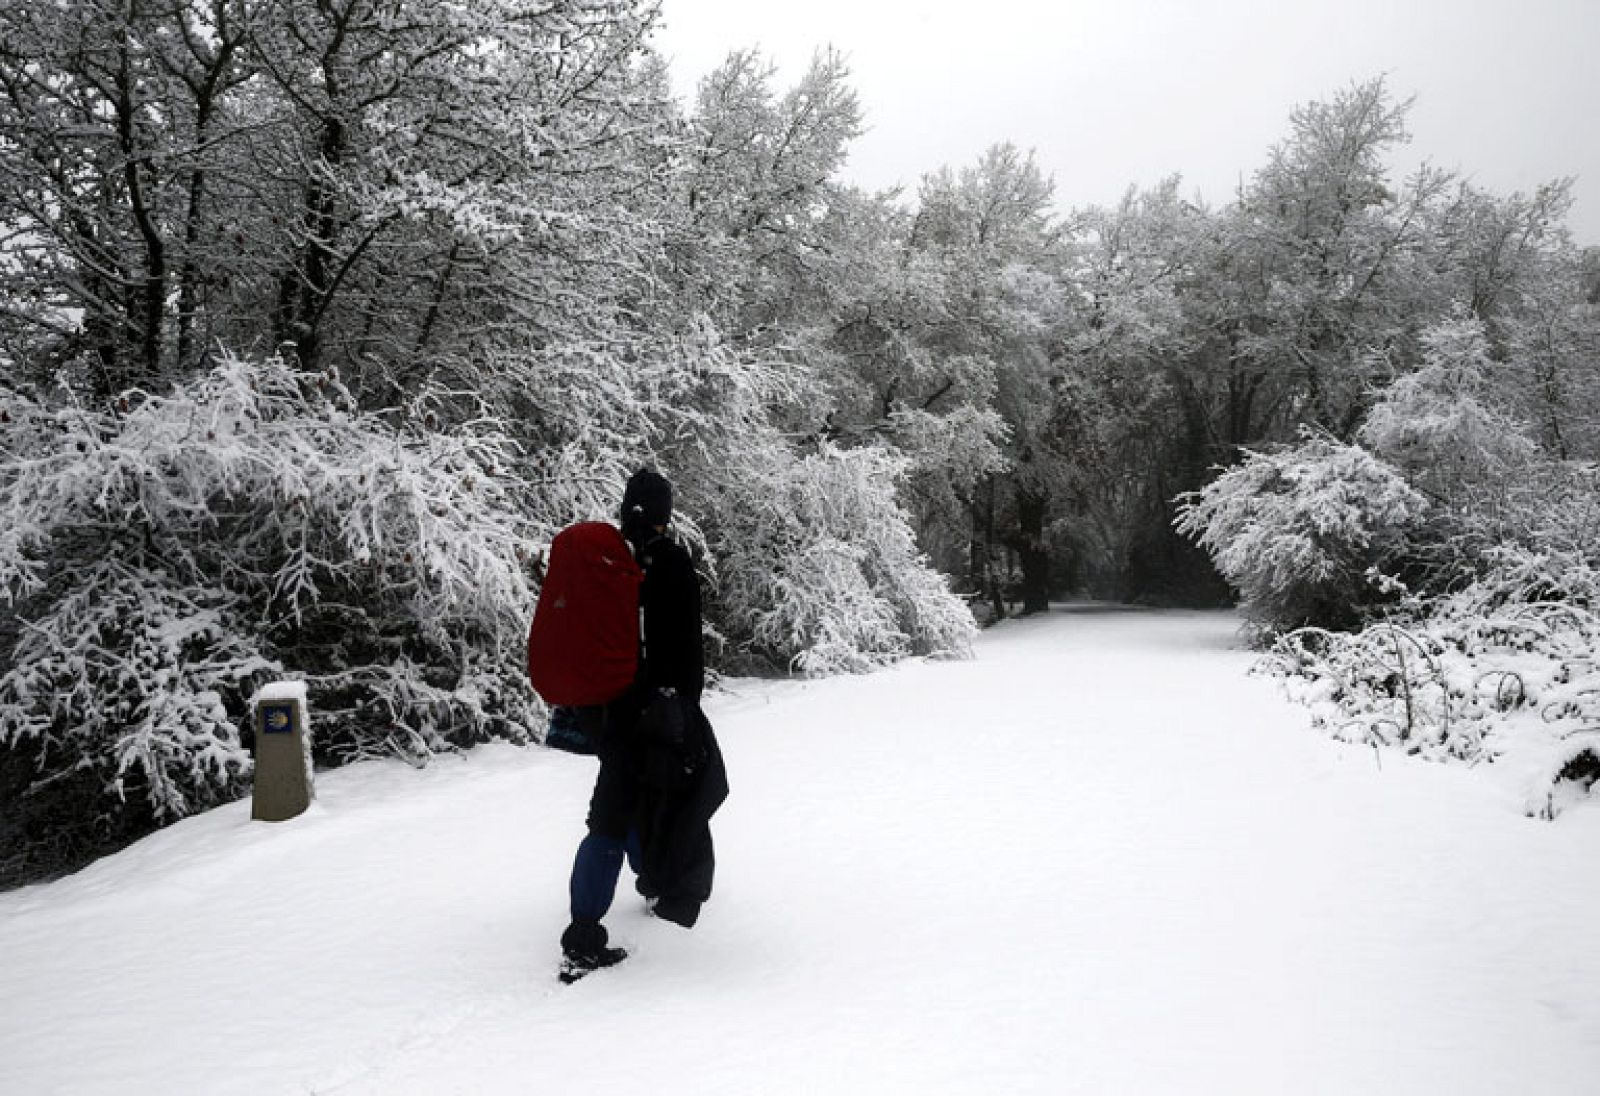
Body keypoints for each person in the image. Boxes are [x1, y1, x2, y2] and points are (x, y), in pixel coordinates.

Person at [558, 468, 729, 983]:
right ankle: (584, 936)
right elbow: (685, 646)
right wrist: (686, 711)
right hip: (654, 712)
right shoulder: (671, 560)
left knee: (625, 799)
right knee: (620, 812)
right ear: (663, 512)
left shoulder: (604, 558)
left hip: (604, 710)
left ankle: (652, 884)